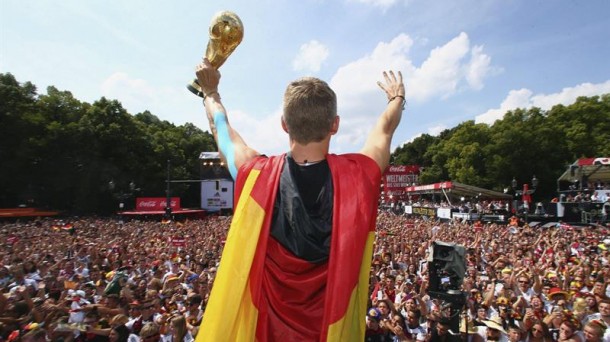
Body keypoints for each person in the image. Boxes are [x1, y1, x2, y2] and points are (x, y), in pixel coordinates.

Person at [194, 58, 405, 341]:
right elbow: (384, 129)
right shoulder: (358, 176)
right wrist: (396, 98)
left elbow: (220, 130)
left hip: (266, 331)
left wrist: (210, 93)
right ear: (335, 125)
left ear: (284, 124)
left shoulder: (257, 176)